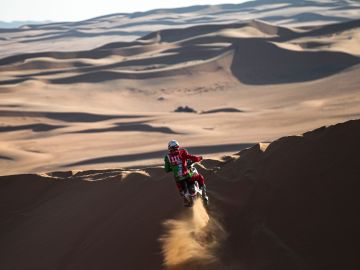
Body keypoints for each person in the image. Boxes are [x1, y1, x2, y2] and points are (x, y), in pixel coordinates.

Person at [164, 139, 208, 205]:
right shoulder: (182, 152)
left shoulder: (167, 157)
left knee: (180, 188)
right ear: (177, 146)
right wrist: (199, 158)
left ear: (169, 148)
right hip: (187, 176)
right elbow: (192, 158)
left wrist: (173, 168)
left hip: (178, 179)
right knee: (200, 177)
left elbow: (167, 170)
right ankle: (204, 195)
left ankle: (185, 200)